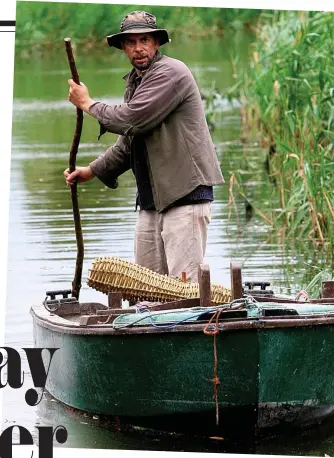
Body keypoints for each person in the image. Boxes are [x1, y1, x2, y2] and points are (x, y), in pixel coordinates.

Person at [64, 10, 224, 282]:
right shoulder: (136, 82)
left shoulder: (171, 72)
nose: (138, 49)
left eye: (145, 40)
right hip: (152, 202)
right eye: (131, 42)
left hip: (185, 195)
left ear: (156, 43)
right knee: (146, 293)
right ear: (124, 47)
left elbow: (133, 119)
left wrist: (88, 104)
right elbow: (128, 142)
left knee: (185, 292)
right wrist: (91, 170)